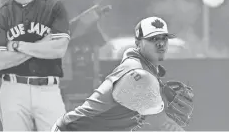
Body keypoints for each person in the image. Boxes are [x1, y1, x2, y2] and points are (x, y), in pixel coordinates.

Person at [52, 17, 194, 131]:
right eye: (153, 39)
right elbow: (156, 122)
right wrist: (170, 123)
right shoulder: (135, 71)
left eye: (164, 38)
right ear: (137, 43)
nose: (161, 44)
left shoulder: (148, 71)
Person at [0, 0, 70, 131]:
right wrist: (42, 45)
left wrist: (17, 46)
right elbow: (0, 62)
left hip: (48, 89)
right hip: (13, 89)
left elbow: (59, 49)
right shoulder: (0, 16)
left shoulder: (54, 9)